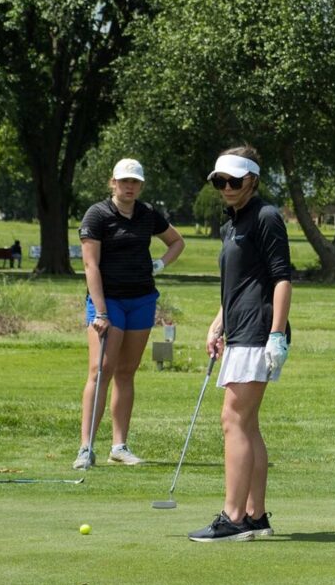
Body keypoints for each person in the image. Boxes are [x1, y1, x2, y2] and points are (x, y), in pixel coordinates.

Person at [190, 145, 292, 542]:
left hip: (259, 331)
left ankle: (233, 518)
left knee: (233, 420)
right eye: (220, 181)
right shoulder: (231, 222)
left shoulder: (266, 217)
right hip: (239, 331)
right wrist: (218, 324)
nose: (227, 187)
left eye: (234, 181)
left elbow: (281, 278)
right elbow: (236, 284)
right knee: (246, 424)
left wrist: (277, 334)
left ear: (252, 180)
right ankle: (254, 515)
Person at [74, 158, 185, 469]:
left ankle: (119, 446)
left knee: (126, 371)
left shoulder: (147, 214)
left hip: (141, 299)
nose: (129, 186)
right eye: (124, 181)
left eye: (134, 182)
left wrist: (160, 264)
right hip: (107, 301)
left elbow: (177, 242)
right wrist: (100, 311)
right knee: (101, 371)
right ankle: (86, 448)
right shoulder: (97, 215)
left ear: (141, 185)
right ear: (113, 182)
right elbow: (90, 266)